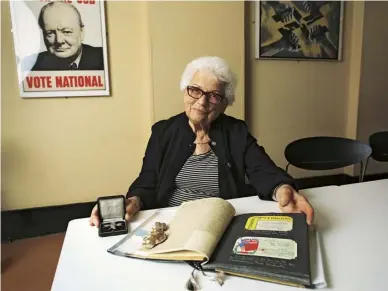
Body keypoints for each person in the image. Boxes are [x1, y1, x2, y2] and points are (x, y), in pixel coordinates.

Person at [89, 56, 314, 227]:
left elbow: (262, 169)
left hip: (220, 222)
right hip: (172, 220)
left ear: (225, 103)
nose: (202, 101)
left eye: (214, 95)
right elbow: (148, 179)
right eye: (195, 90)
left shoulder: (236, 131)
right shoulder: (163, 131)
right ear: (185, 92)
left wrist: (283, 189)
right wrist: (134, 201)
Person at [29, 1, 104, 71]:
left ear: (82, 32)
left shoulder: (103, 59)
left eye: (66, 32)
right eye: (50, 33)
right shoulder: (31, 65)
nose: (59, 40)